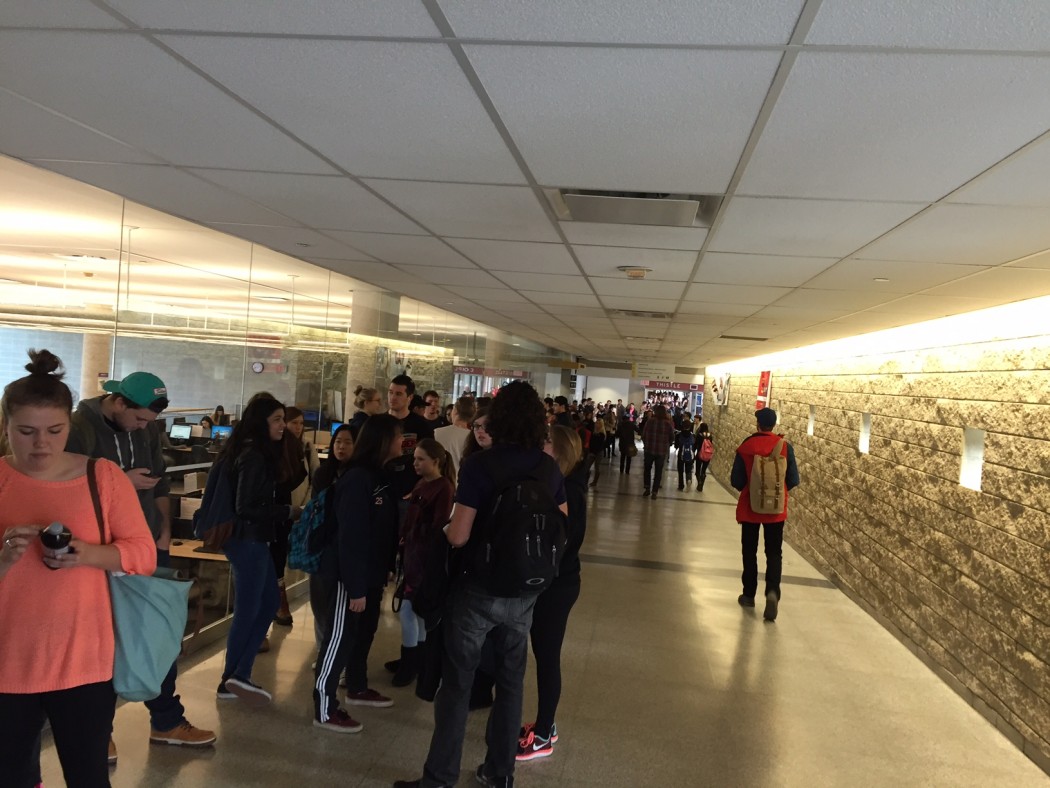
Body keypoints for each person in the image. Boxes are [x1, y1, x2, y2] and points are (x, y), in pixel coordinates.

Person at [394, 381, 568, 788]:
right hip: (525, 591)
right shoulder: (547, 467)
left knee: (458, 684)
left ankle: (439, 778)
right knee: (511, 682)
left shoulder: (481, 466)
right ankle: (499, 771)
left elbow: (458, 536)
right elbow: (563, 525)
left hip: (479, 589)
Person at [1, 349, 157, 786]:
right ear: (5, 428)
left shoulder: (101, 477)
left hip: (83, 660)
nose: (41, 444)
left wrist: (85, 554)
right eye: (26, 431)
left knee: (88, 776)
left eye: (55, 430)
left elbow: (142, 554)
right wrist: (5, 560)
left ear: (70, 425)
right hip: (7, 660)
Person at [66, 370, 216, 753]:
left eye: (149, 422)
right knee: (102, 641)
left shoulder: (147, 429)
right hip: (100, 550)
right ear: (118, 403)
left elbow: (160, 481)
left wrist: (163, 529)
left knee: (157, 636)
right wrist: (118, 480)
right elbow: (68, 484)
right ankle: (100, 731)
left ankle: (166, 720)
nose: (143, 427)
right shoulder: (79, 427)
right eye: (138, 419)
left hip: (144, 545)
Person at [313, 414, 402, 733]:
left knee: (362, 633)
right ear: (381, 440)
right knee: (339, 638)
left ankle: (358, 686)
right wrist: (356, 587)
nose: (400, 442)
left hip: (371, 573)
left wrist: (386, 567)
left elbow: (382, 529)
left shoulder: (381, 475)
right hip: (347, 576)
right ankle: (324, 708)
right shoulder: (357, 479)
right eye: (396, 436)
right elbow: (350, 537)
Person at [216, 396, 302, 704]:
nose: (283, 425)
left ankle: (239, 674)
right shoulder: (253, 454)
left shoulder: (253, 450)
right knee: (249, 609)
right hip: (246, 539)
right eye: (277, 419)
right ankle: (231, 678)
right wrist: (287, 512)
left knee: (266, 604)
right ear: (262, 421)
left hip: (254, 539)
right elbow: (246, 506)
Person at [517, 425, 589, 763]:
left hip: (557, 585)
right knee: (543, 653)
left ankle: (543, 735)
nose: (538, 445)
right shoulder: (558, 485)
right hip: (554, 581)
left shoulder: (568, 491)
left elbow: (560, 541)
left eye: (544, 441)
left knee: (547, 657)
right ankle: (547, 724)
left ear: (558, 450)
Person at [387, 438, 455, 688]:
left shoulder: (443, 487)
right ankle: (416, 658)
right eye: (414, 458)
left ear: (435, 462)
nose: (414, 463)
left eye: (420, 459)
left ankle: (411, 661)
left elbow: (438, 525)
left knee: (410, 611)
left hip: (426, 560)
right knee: (414, 612)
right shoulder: (421, 484)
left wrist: (416, 533)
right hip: (412, 556)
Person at [731, 408, 800, 622]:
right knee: (774, 553)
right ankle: (772, 592)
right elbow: (794, 479)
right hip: (775, 511)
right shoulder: (785, 448)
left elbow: (737, 481)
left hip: (750, 509)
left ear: (758, 424)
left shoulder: (746, 446)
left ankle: (749, 594)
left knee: (749, 551)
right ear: (774, 425)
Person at [273, 406, 319, 626]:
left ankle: (282, 602)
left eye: (301, 423)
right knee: (277, 561)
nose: (298, 427)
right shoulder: (275, 449)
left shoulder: (307, 448)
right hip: (280, 513)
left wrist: (305, 508)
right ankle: (280, 605)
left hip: (301, 510)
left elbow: (314, 481)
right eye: (294, 423)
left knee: (289, 560)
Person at [308, 424, 354, 647]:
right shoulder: (323, 474)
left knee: (342, 604)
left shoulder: (359, 476)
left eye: (347, 442)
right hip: (323, 545)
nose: (341, 447)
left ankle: (339, 653)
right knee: (320, 601)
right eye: (338, 442)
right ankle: (322, 649)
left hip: (346, 547)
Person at [640, 404, 674, 499]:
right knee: (658, 471)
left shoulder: (650, 422)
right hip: (661, 451)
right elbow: (672, 437)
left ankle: (647, 488)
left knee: (647, 469)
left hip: (649, 450)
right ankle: (655, 491)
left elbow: (644, 435)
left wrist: (646, 444)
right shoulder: (667, 423)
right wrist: (667, 445)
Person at [434, 395, 475, 473]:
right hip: (464, 481)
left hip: (443, 480)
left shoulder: (437, 432)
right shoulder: (474, 437)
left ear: (455, 411)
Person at [675, 423, 696, 491]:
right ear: (690, 427)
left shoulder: (678, 435)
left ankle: (681, 486)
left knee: (680, 471)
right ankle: (689, 480)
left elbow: (676, 445)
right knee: (688, 470)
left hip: (681, 454)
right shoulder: (693, 435)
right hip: (690, 455)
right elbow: (694, 446)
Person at [695, 421, 714, 492]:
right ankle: (701, 485)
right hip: (707, 456)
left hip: (700, 455)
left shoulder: (699, 435)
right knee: (703, 471)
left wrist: (693, 452)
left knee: (697, 470)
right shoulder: (710, 436)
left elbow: (695, 445)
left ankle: (699, 482)